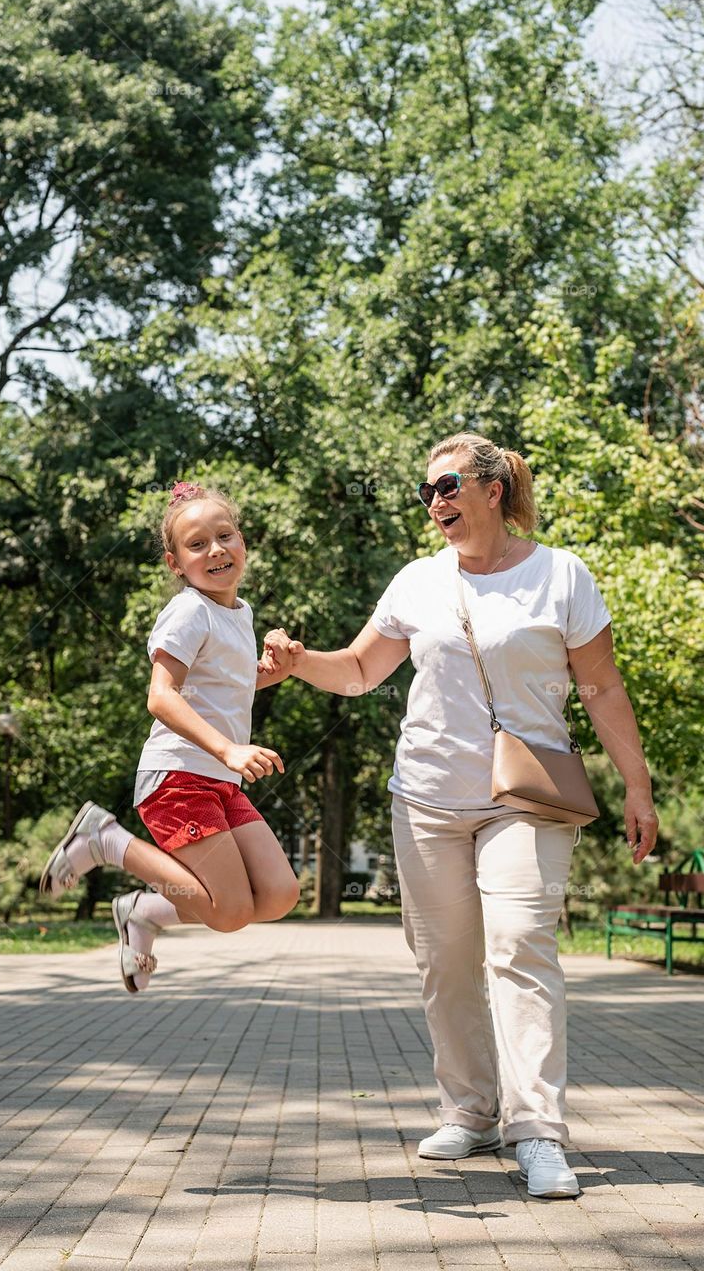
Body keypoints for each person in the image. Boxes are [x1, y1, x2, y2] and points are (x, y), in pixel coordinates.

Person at [264, 432, 658, 1199]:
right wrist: (298, 663)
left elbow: (603, 689)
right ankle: (471, 1111)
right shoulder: (417, 582)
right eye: (427, 492)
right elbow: (358, 670)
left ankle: (537, 1129)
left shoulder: (561, 575)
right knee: (444, 966)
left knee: (519, 947)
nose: (436, 502)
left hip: (527, 797)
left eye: (448, 486)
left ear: (493, 490)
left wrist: (637, 788)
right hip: (426, 800)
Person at [39, 481, 300, 993]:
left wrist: (274, 671)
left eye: (225, 535)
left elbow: (229, 682)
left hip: (221, 782)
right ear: (175, 563)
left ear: (243, 542)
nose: (216, 550)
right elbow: (161, 695)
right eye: (197, 544)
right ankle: (105, 840)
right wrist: (228, 747)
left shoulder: (239, 612)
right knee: (228, 912)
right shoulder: (188, 611)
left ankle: (141, 911)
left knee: (277, 894)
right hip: (179, 777)